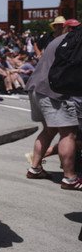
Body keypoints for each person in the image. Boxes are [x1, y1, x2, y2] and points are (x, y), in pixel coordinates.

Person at [25, 19, 82, 190]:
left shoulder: (59, 39)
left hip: (36, 87)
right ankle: (70, 178)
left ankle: (35, 168)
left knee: (49, 130)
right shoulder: (76, 41)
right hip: (55, 91)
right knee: (68, 133)